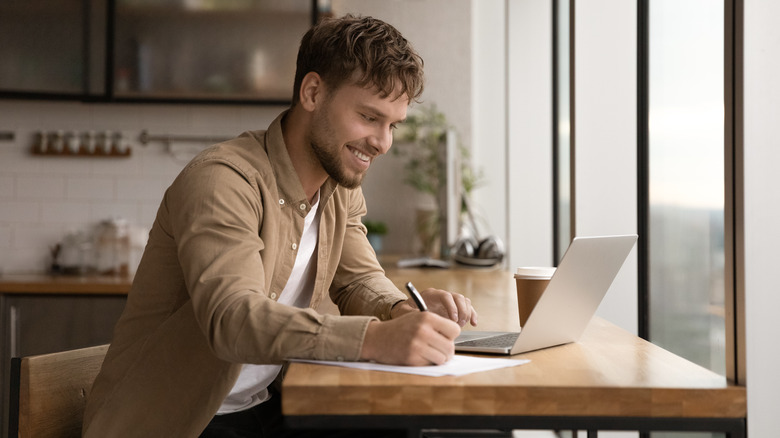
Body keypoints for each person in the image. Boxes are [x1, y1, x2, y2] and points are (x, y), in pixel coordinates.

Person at [82, 14, 477, 438]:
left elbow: (358, 280)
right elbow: (232, 318)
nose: (383, 143)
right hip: (179, 423)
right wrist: (376, 340)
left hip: (265, 407)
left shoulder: (339, 185)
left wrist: (403, 313)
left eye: (392, 125)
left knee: (395, 426)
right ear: (312, 92)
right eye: (368, 117)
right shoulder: (223, 180)